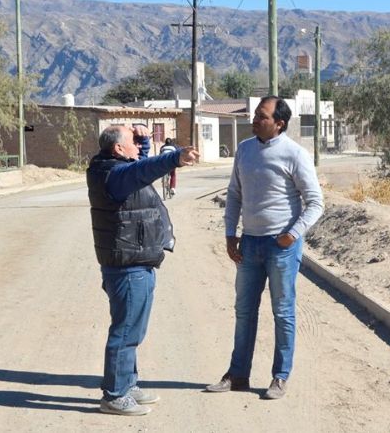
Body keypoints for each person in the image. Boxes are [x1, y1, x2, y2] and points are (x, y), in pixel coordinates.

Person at [206, 96, 324, 400]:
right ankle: (238, 374)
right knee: (244, 311)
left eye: (262, 116)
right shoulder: (244, 150)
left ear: (279, 123)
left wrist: (292, 234)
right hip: (249, 243)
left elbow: (315, 203)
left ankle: (280, 377)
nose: (255, 120)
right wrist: (230, 234)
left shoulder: (295, 154)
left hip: (281, 247)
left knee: (283, 313)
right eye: (256, 115)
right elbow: (233, 195)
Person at [87, 124, 199, 416]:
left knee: (132, 328)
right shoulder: (114, 174)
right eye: (133, 142)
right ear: (118, 149)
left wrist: (147, 140)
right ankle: (114, 395)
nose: (138, 146)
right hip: (128, 265)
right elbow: (141, 171)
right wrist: (174, 158)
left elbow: (138, 164)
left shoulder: (113, 166)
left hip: (134, 260)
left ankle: (127, 383)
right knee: (125, 332)